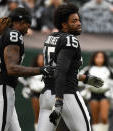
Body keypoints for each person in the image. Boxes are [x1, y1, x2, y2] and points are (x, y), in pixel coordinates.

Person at [0, 7, 54, 131]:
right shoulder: (13, 34)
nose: (27, 30)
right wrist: (41, 70)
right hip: (2, 90)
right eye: (27, 26)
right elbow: (12, 69)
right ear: (21, 22)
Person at [37, 3, 103, 131]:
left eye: (78, 20)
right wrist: (59, 101)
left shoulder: (51, 37)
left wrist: (83, 78)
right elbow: (61, 71)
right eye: (74, 21)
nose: (79, 23)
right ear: (64, 24)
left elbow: (57, 69)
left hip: (46, 95)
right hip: (65, 95)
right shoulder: (70, 40)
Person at [79, 51, 113, 131]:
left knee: (104, 117)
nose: (99, 59)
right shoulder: (88, 69)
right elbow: (79, 80)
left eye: (101, 57)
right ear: (94, 58)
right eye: (97, 57)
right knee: (95, 119)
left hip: (105, 95)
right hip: (92, 95)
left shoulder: (109, 69)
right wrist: (87, 84)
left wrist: (110, 84)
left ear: (104, 59)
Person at [19, 53, 44, 131]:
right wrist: (26, 84)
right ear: (36, 60)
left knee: (45, 116)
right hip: (36, 95)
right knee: (37, 116)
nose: (41, 60)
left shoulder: (48, 69)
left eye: (43, 59)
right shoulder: (32, 69)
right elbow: (20, 76)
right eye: (39, 58)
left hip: (45, 95)